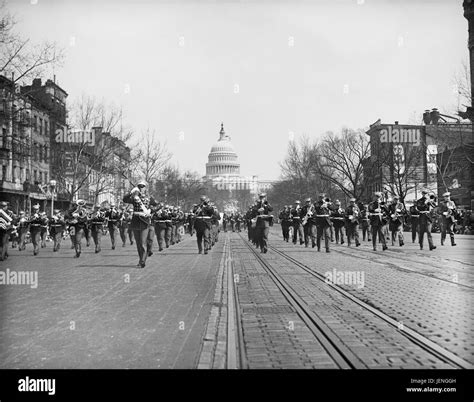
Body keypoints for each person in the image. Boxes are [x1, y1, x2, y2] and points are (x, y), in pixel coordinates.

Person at [123, 180, 158, 268]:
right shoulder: (135, 197)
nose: (141, 188)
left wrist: (151, 210)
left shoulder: (150, 198)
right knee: (138, 243)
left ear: (146, 188)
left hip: (144, 221)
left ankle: (143, 260)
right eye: (139, 186)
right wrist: (131, 192)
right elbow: (125, 199)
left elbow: (159, 205)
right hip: (135, 220)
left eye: (143, 186)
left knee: (142, 242)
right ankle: (141, 259)